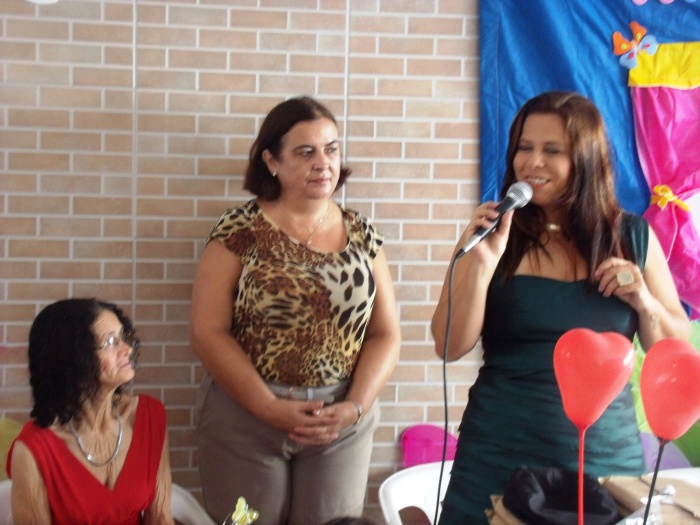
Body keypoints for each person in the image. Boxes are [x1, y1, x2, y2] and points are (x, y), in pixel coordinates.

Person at [431, 91, 691, 524]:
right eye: (524, 148)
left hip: (605, 464)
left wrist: (643, 301)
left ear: (585, 160)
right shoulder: (493, 232)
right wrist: (481, 266)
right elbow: (448, 345)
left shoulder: (631, 236)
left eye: (552, 151)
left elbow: (674, 348)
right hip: (497, 456)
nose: (532, 162)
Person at [190, 95, 401, 525]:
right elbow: (207, 332)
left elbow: (386, 333)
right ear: (271, 161)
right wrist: (267, 407)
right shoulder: (239, 230)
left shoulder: (362, 233)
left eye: (331, 149)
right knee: (245, 523)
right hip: (245, 418)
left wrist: (355, 407)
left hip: (339, 423)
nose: (323, 163)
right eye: (305, 152)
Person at [6, 298, 174, 525]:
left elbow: (161, 518)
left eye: (123, 337)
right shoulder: (33, 449)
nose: (127, 349)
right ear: (73, 359)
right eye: (111, 342)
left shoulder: (149, 417)